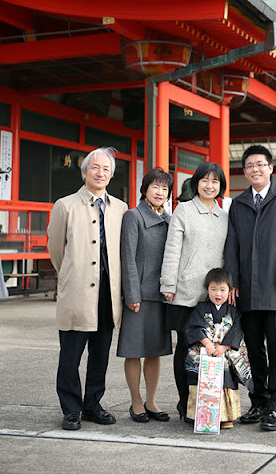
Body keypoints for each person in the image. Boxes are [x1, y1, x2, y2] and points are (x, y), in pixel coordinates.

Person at [224, 144, 276, 431]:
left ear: (271, 168)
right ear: (244, 172)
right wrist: (232, 281)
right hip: (247, 288)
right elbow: (231, 244)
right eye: (249, 166)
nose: (255, 169)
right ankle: (258, 401)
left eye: (260, 164)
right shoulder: (239, 203)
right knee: (254, 351)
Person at [47, 147, 127, 431]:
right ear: (84, 172)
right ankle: (71, 410)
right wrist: (70, 276)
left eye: (106, 169)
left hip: (108, 292)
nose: (101, 172)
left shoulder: (120, 208)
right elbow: (56, 250)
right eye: (95, 167)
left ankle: (93, 405)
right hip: (78, 291)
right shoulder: (65, 205)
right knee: (70, 356)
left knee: (100, 354)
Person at [160, 162, 228, 422]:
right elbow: (172, 249)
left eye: (215, 182)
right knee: (186, 349)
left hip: (214, 296)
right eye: (205, 180)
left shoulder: (225, 216)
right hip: (186, 291)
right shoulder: (184, 210)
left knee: (211, 350)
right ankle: (185, 404)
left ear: (220, 186)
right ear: (196, 183)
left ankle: (208, 404)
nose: (210, 186)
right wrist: (168, 284)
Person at [117, 167, 173, 423]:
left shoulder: (170, 219)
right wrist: (131, 294)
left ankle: (151, 400)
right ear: (145, 189)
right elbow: (127, 257)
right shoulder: (133, 216)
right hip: (138, 296)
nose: (160, 192)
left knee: (155, 350)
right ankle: (136, 402)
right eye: (155, 187)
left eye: (165, 188)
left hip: (161, 295)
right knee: (134, 350)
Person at [184, 267, 252, 429]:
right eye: (213, 289)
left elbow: (236, 331)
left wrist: (223, 346)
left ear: (229, 291)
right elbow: (192, 327)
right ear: (207, 290)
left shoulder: (233, 311)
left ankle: (226, 416)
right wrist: (207, 343)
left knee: (226, 381)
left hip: (224, 353)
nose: (218, 294)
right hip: (204, 353)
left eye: (222, 290)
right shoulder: (201, 308)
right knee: (201, 381)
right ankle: (199, 415)